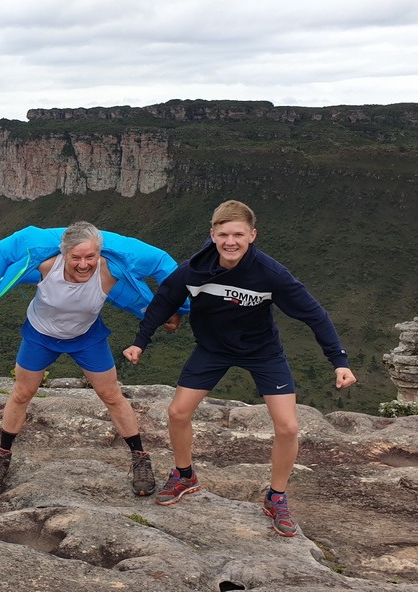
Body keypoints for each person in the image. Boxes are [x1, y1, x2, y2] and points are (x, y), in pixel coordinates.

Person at [123, 200, 357, 537]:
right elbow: (164, 301)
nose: (230, 242)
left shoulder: (269, 273)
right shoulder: (194, 269)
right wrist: (140, 342)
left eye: (238, 234)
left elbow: (313, 313)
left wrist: (339, 361)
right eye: (224, 235)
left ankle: (276, 497)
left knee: (288, 426)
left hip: (262, 352)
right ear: (212, 235)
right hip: (212, 350)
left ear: (252, 235)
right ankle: (185, 475)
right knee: (177, 412)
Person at [0, 222, 186, 496]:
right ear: (63, 254)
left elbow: (165, 270)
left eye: (90, 257)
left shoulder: (110, 271)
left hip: (87, 337)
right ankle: (2, 455)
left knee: (111, 395)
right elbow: (4, 254)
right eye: (76, 257)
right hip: (40, 335)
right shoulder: (46, 266)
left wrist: (174, 309)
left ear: (101, 253)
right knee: (22, 393)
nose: (84, 264)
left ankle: (140, 458)